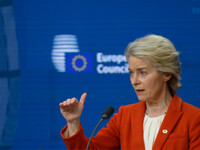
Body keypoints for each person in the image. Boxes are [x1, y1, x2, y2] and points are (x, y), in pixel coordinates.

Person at [59, 34, 200, 150]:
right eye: (131, 73)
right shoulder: (124, 116)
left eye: (143, 73)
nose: (134, 81)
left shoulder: (193, 118)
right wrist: (73, 122)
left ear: (166, 74)